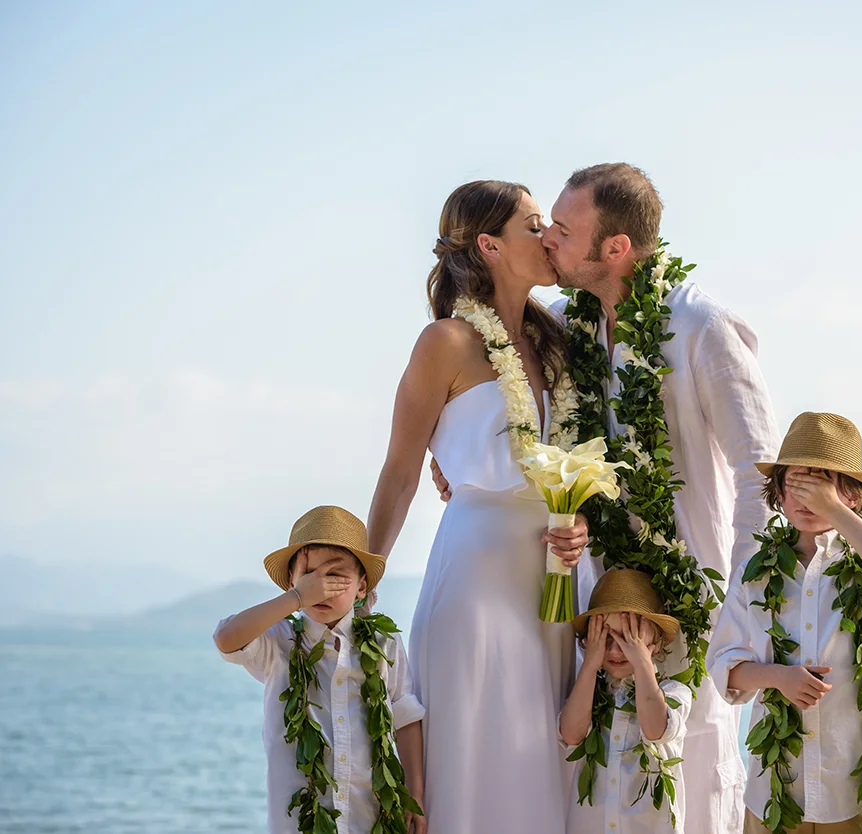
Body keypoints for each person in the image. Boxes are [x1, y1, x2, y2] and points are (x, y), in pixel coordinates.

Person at [544, 162, 782, 834]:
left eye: (566, 229)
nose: (550, 241)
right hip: (593, 606)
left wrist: (738, 605)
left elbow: (758, 474)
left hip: (695, 606)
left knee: (697, 784)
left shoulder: (700, 326)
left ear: (615, 249)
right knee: (593, 785)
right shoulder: (567, 325)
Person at [366, 180, 585, 834]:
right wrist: (365, 583)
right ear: (490, 245)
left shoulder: (558, 346)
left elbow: (573, 467)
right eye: (533, 224)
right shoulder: (447, 344)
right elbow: (402, 470)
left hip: (550, 585)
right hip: (475, 579)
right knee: (472, 760)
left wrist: (574, 523)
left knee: (536, 759)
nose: (548, 236)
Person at [708, 413, 862, 833]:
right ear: (779, 492)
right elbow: (724, 663)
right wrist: (778, 677)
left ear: (852, 496)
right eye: (795, 483)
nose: (806, 498)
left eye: (821, 484)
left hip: (852, 780)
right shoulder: (757, 571)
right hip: (776, 786)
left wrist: (831, 509)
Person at [214, 505, 425, 834]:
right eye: (310, 576)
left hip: (370, 821)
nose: (321, 588)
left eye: (335, 576)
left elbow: (405, 716)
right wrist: (297, 598)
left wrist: (416, 795)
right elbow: (226, 639)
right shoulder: (279, 641)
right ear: (291, 583)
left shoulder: (385, 642)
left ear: (361, 587)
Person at [561, 568, 692, 834]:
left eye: (629, 638)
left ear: (654, 643)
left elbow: (654, 728)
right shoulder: (589, 694)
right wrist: (589, 665)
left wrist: (642, 663)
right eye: (606, 638)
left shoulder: (674, 693)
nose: (615, 650)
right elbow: (571, 735)